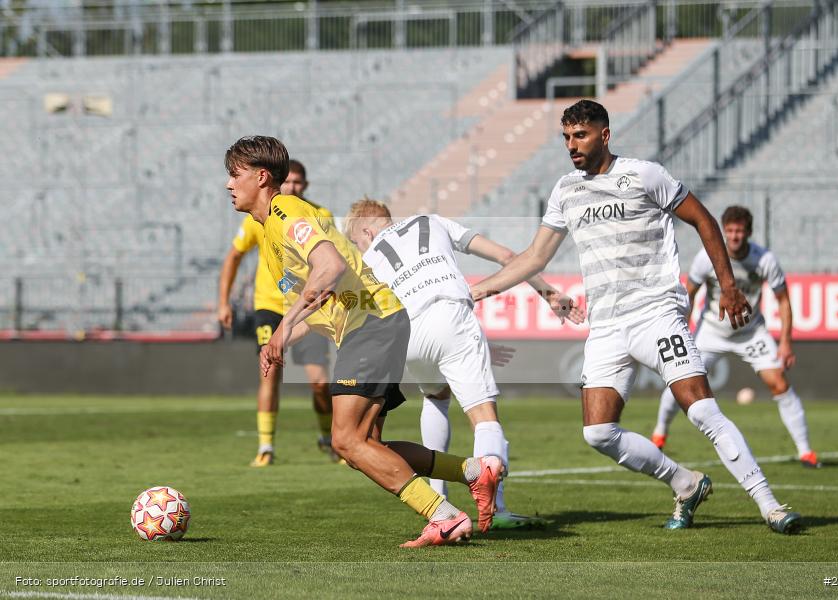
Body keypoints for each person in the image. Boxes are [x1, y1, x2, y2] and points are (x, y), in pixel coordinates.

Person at [469, 100, 802, 534]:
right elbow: (534, 256)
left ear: (604, 135)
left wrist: (730, 285)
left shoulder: (645, 174)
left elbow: (703, 219)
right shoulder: (566, 190)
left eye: (581, 135)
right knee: (598, 433)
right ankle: (685, 483)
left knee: (701, 410)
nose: (572, 145)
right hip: (606, 324)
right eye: (566, 137)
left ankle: (770, 505)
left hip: (656, 312)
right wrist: (478, 290)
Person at [225, 135, 502, 547]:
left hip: (371, 325)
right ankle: (473, 471)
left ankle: (443, 516)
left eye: (235, 175)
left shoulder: (286, 210)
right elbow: (322, 303)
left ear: (262, 177)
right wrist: (280, 341)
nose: (229, 184)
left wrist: (282, 330)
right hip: (376, 323)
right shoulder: (267, 233)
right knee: (368, 444)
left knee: (346, 441)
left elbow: (330, 267)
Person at [344, 199, 584, 529]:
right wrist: (548, 293)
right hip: (451, 318)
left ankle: (439, 502)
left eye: (357, 242)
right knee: (483, 415)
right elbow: (508, 257)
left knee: (436, 397)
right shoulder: (431, 219)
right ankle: (497, 510)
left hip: (406, 336)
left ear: (367, 233)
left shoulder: (367, 258)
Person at [651, 205, 821, 468]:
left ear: (748, 232)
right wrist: (681, 329)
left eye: (739, 231)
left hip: (751, 332)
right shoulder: (707, 257)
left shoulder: (764, 260)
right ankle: (659, 433)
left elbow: (783, 301)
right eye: (729, 231)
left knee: (779, 383)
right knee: (681, 381)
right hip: (711, 331)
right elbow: (690, 294)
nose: (734, 236)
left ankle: (806, 452)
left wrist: (786, 342)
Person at [217, 158, 336, 467]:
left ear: (306, 186)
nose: (293, 187)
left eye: (299, 183)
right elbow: (234, 256)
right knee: (269, 373)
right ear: (279, 183)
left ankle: (329, 439)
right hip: (270, 305)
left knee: (320, 382)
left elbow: (330, 262)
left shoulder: (317, 215)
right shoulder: (258, 217)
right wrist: (223, 301)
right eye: (290, 182)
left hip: (308, 309)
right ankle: (266, 446)